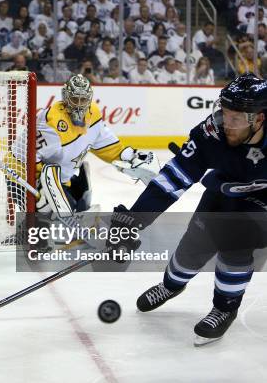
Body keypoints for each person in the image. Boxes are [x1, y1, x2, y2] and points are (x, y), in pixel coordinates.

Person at [110, 73, 267, 345]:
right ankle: (171, 286)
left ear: (260, 119)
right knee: (191, 249)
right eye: (224, 113)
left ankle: (225, 307)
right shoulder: (210, 133)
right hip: (222, 194)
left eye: (236, 119)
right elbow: (173, 178)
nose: (226, 124)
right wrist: (135, 220)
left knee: (236, 244)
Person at [11, 74, 159, 217]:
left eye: (84, 100)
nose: (79, 105)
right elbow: (22, 157)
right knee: (55, 216)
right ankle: (36, 236)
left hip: (57, 180)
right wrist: (39, 187)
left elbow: (107, 146)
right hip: (22, 179)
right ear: (66, 97)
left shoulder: (93, 114)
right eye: (75, 99)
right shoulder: (51, 123)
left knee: (83, 198)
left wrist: (130, 157)